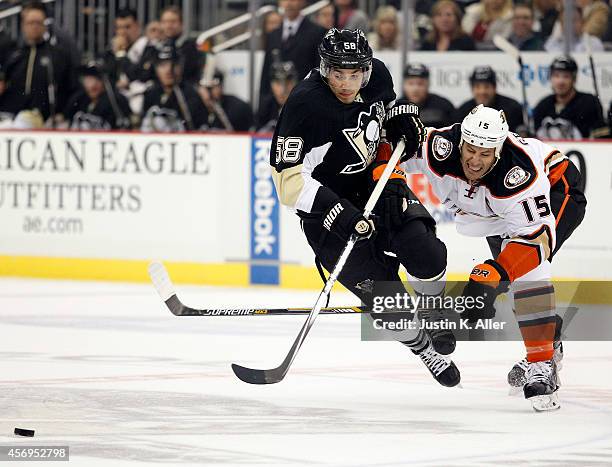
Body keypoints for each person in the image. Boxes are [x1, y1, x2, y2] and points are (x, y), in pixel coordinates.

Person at [270, 28, 460, 387]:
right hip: (326, 211)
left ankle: (435, 312)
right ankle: (423, 349)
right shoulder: (304, 105)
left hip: (379, 183)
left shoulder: (379, 74)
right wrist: (337, 211)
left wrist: (402, 121)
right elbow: (287, 181)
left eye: (354, 74)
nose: (346, 83)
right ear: (324, 69)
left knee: (428, 254)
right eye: (337, 74)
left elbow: (386, 116)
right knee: (392, 306)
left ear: (366, 70)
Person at [400, 104, 586, 410]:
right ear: (460, 142)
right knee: (508, 278)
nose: (475, 160)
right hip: (493, 209)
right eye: (470, 150)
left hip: (555, 189)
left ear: (498, 152)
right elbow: (396, 149)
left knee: (526, 274)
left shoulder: (520, 175)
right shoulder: (439, 148)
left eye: (485, 154)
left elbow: (535, 240)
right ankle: (549, 340)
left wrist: (495, 272)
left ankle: (542, 363)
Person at [0, 1, 77, 126]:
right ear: (23, 25)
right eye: (30, 23)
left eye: (38, 23)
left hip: (47, 120)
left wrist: (64, 114)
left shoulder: (58, 55)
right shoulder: (13, 54)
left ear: (45, 25)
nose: (34, 26)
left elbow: (73, 88)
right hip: (10, 117)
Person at [259, 0, 326, 107]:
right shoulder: (273, 35)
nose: (289, 3)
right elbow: (266, 75)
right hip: (276, 107)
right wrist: (263, 107)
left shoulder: (318, 33)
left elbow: (320, 73)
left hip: (306, 104)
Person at [533, 56, 607, 139]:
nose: (560, 81)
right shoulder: (542, 106)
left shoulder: (589, 104)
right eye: (556, 76)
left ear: (574, 79)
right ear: (550, 78)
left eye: (566, 76)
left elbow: (599, 138)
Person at [140, 45, 207, 132]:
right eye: (163, 65)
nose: (168, 70)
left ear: (181, 66)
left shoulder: (190, 94)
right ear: (156, 68)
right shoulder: (151, 94)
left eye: (174, 65)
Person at [63, 62, 132, 130]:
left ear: (103, 82)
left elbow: (124, 126)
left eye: (96, 81)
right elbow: (65, 119)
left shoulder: (115, 100)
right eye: (86, 80)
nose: (91, 86)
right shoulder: (79, 98)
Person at [455, 65, 524, 133]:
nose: (482, 91)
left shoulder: (512, 108)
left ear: (494, 88)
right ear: (472, 89)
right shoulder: (463, 111)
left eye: (487, 86)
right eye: (477, 87)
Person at [159, 5, 206, 85]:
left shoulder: (192, 47)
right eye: (165, 22)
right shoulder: (156, 47)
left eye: (173, 22)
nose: (168, 26)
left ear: (181, 24)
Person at [401, 63, 455, 128]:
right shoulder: (396, 108)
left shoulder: (443, 106)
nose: (415, 89)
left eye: (420, 84)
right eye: (411, 84)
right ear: (404, 85)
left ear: (428, 84)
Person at [256, 60, 298, 132]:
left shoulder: (304, 106)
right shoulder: (265, 107)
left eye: (287, 83)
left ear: (295, 83)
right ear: (271, 85)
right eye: (278, 83)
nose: (282, 90)